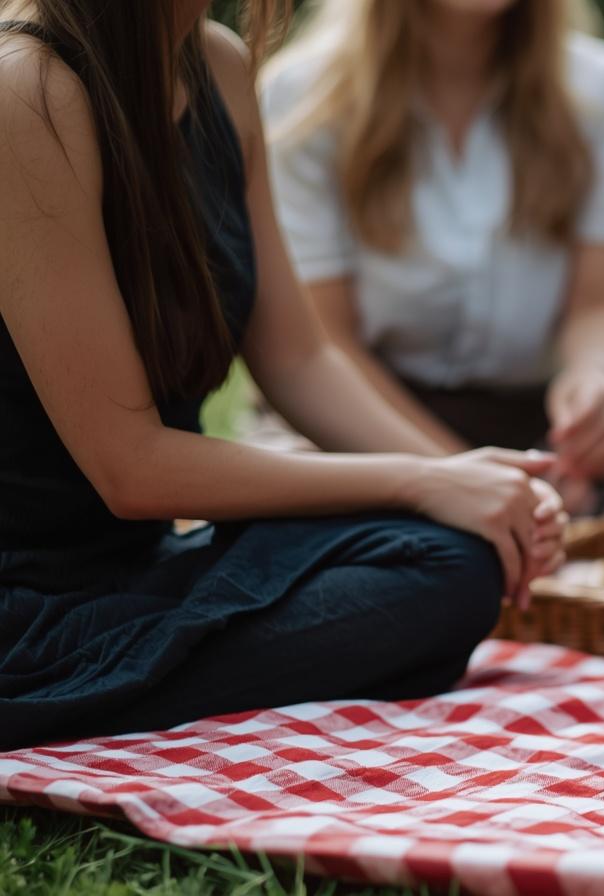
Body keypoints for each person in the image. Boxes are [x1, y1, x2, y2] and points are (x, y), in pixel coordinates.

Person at [0, 0, 565, 751]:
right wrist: (419, 480)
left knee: (450, 558)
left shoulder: (218, 66)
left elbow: (300, 359)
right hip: (25, 607)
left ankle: (131, 690)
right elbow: (128, 467)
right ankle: (66, 702)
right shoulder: (26, 91)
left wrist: (472, 483)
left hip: (137, 571)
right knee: (430, 562)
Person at [263, 0, 604, 513]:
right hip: (353, 432)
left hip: (531, 435)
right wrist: (465, 482)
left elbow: (600, 307)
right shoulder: (306, 97)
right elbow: (326, 344)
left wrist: (592, 379)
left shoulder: (601, 89)